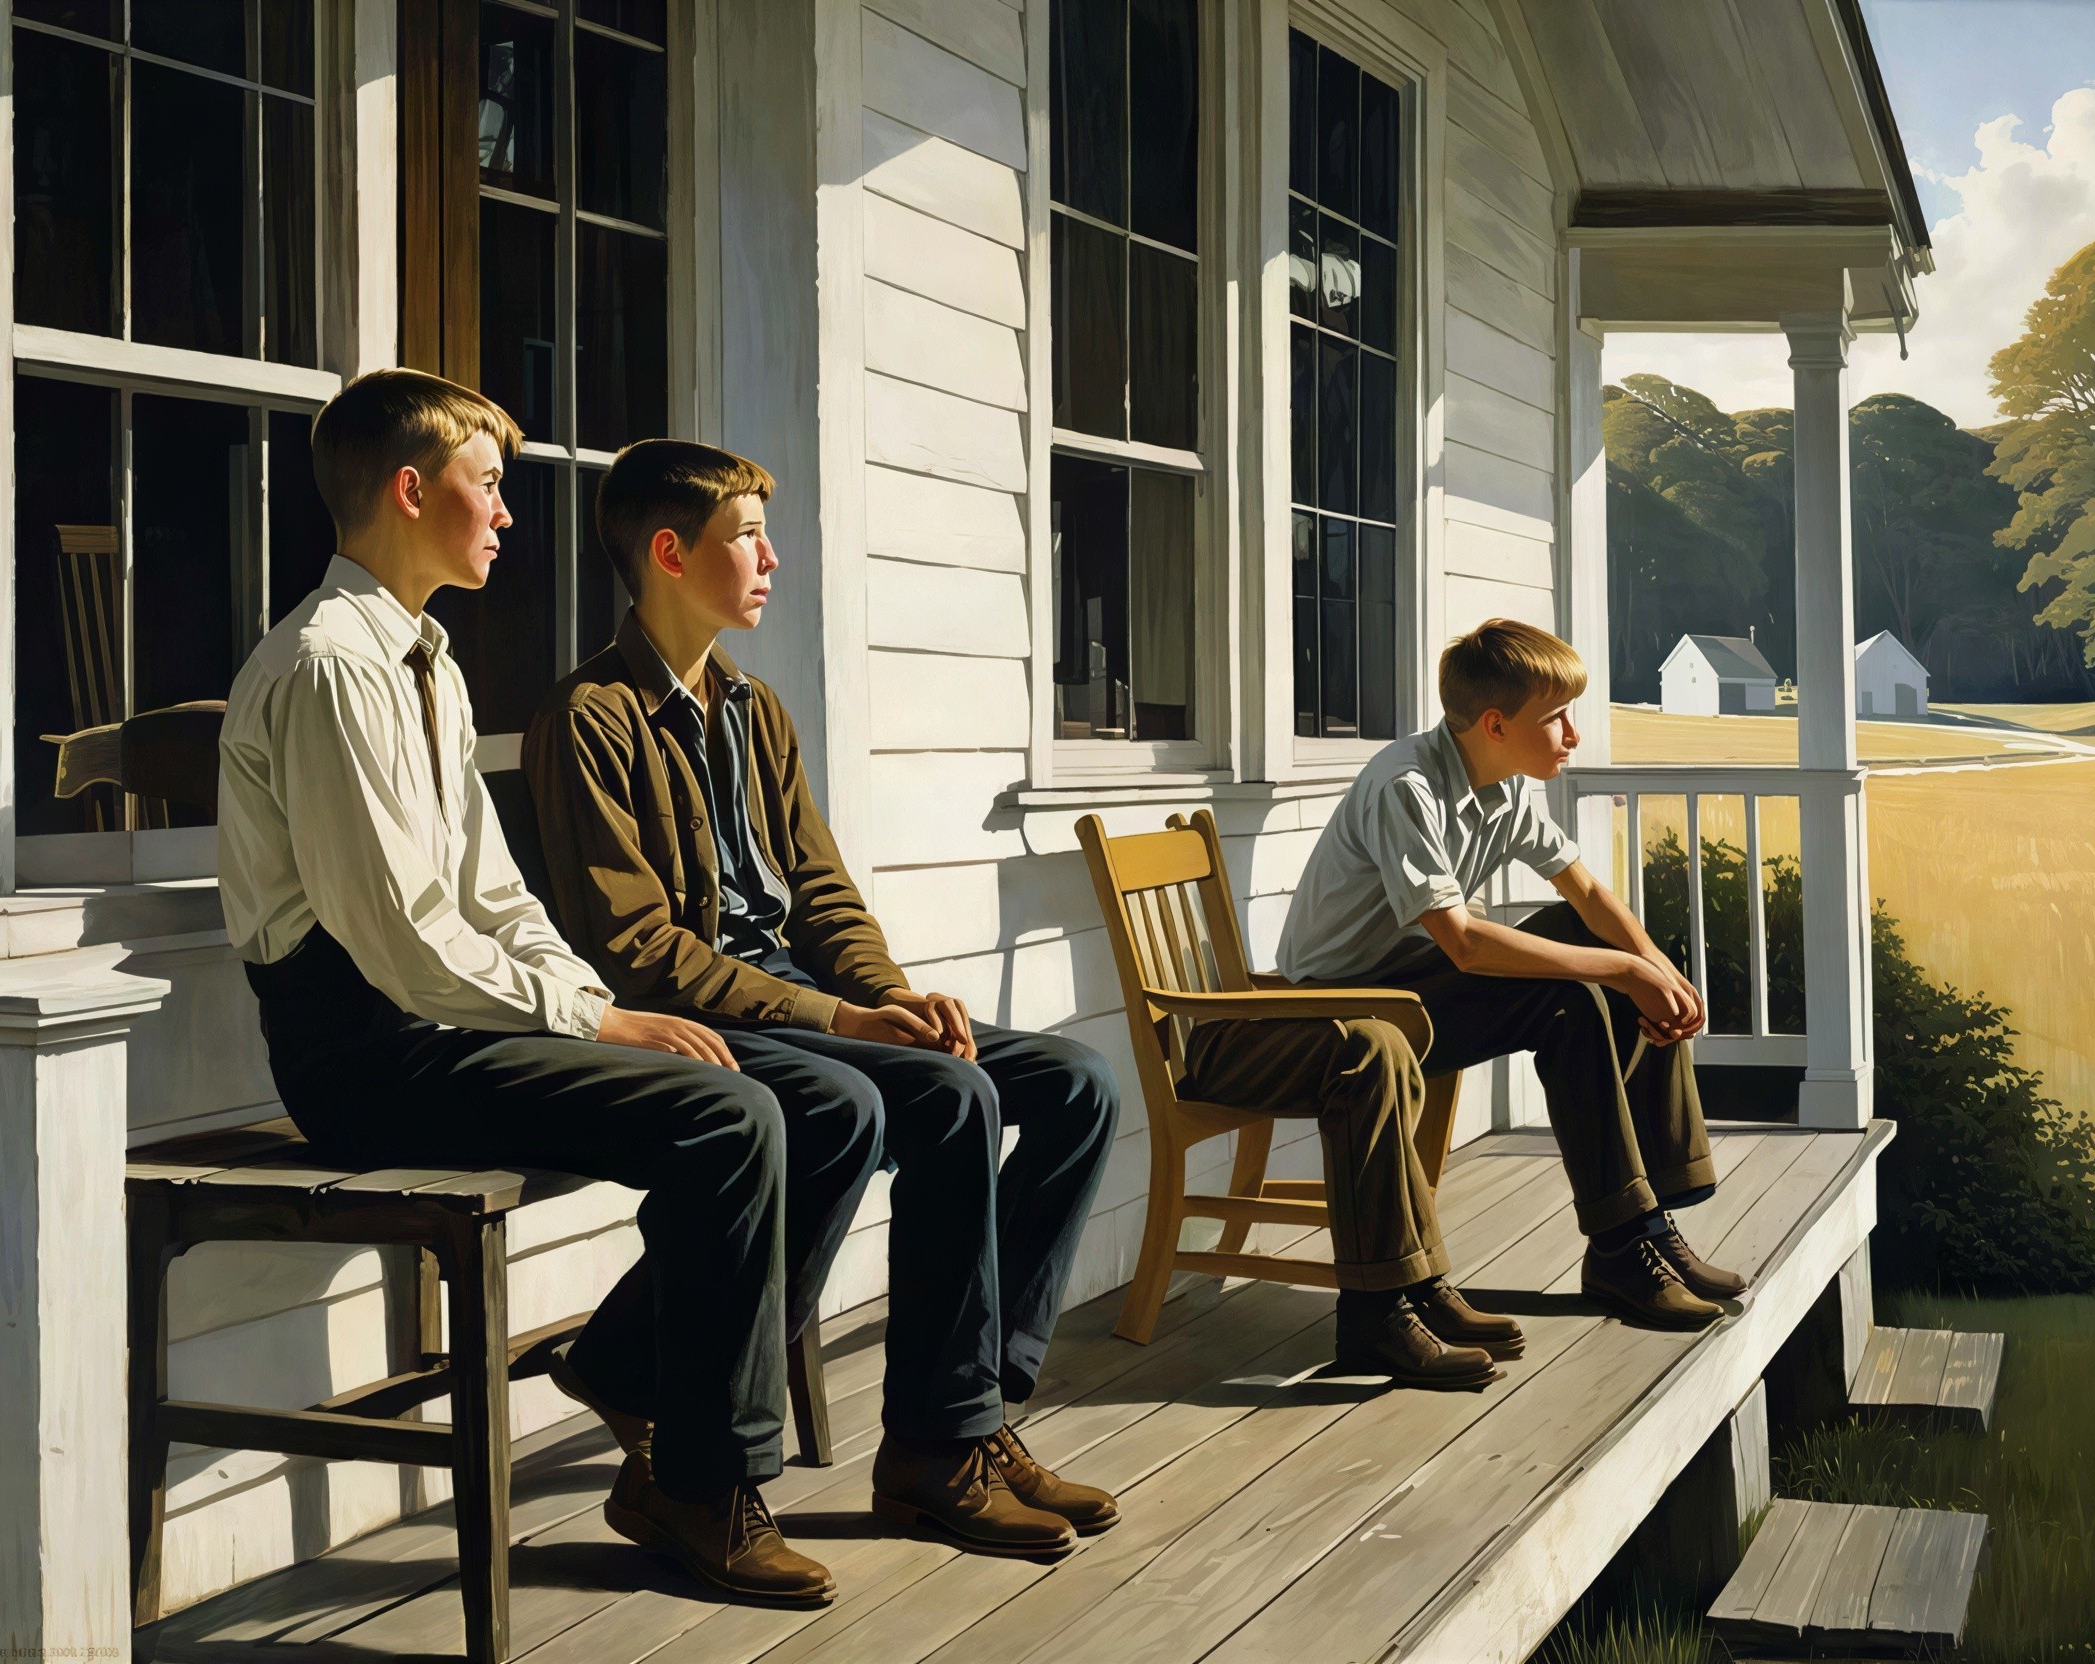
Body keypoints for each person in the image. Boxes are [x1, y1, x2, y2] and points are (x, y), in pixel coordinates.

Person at [218, 371, 855, 1608]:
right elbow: (400, 937)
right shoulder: (329, 666)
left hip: (450, 1018)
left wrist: (597, 1000)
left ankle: (630, 1368)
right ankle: (701, 1480)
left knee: (818, 1100)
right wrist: (597, 1014)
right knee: (730, 1118)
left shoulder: (430, 664)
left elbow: (495, 896)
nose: (507, 513)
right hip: (369, 1050)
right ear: (412, 490)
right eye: (488, 485)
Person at [524, 439, 1122, 1561]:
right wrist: (843, 1021)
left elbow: (820, 892)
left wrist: (890, 991)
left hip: (799, 999)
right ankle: (937, 1450)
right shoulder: (588, 718)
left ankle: (972, 1414)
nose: (770, 557)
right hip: (699, 1015)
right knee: (946, 1099)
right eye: (746, 535)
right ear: (668, 551)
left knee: (1075, 1083)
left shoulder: (755, 711)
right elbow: (642, 950)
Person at [1184, 618, 1746, 1361]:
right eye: (1555, 719)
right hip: (1342, 1001)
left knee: (1612, 956)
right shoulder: (1406, 786)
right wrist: (1623, 971)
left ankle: (1645, 1227)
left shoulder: (1502, 787)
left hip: (1412, 982)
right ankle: (1621, 1247)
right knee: (1579, 992)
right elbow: (1464, 941)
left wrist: (1655, 969)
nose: (1572, 735)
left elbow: (1580, 889)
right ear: (1495, 723)